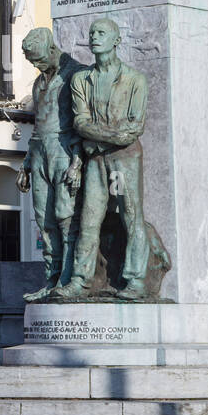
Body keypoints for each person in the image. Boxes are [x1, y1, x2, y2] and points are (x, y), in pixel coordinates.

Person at [53, 16, 153, 301]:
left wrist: (94, 138)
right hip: (96, 162)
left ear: (116, 40)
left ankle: (135, 280)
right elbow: (80, 123)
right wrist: (103, 135)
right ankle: (81, 281)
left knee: (132, 218)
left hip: (125, 160)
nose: (94, 37)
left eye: (101, 33)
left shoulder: (135, 80)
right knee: (88, 220)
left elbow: (133, 129)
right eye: (92, 32)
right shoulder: (80, 80)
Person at [17, 27, 84, 301]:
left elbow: (83, 123)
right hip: (40, 154)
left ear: (51, 50)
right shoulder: (38, 83)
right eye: (31, 61)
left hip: (64, 152)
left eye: (38, 59)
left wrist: (78, 162)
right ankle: (51, 278)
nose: (35, 65)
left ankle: (68, 278)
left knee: (66, 218)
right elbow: (36, 129)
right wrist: (26, 164)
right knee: (44, 221)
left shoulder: (76, 75)